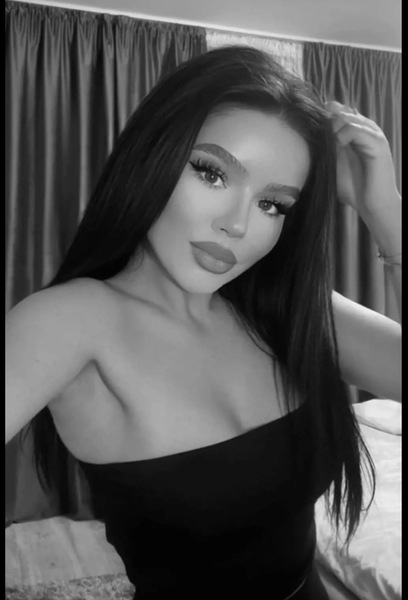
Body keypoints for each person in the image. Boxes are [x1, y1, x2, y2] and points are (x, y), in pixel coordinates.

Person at [6, 46, 401, 599]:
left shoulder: (285, 308)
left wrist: (387, 213)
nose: (237, 225)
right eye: (212, 174)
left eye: (273, 205)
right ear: (152, 156)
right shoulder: (72, 320)